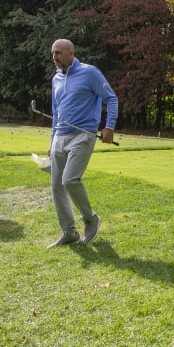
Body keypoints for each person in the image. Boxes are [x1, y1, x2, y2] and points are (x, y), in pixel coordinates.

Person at [46, 38, 117, 247]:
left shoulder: (90, 73)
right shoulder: (56, 79)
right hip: (60, 135)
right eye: (53, 54)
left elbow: (111, 98)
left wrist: (109, 127)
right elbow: (56, 113)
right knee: (57, 186)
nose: (55, 58)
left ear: (71, 53)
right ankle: (69, 232)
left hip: (83, 134)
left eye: (58, 53)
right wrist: (52, 141)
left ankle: (90, 219)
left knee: (70, 180)